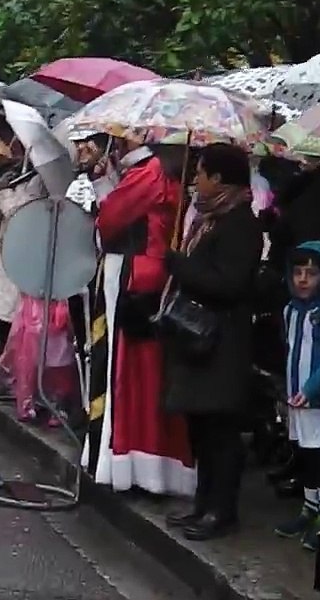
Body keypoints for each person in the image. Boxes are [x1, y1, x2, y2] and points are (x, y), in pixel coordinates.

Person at [81, 134, 196, 497]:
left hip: (132, 278)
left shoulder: (147, 172)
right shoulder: (157, 170)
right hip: (146, 276)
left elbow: (109, 221)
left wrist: (103, 183)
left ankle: (128, 459)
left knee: (125, 372)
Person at [163, 142, 264, 541]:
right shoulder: (210, 219)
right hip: (197, 339)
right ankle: (203, 503)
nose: (195, 179)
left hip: (223, 341)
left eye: (201, 172)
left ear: (219, 178)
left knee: (221, 433)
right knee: (200, 429)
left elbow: (229, 283)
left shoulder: (240, 223)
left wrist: (180, 266)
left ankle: (221, 511)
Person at [274, 242, 320, 551]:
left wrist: (312, 387)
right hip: (296, 400)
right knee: (303, 454)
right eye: (298, 272)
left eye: (312, 273)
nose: (303, 279)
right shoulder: (290, 310)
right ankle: (310, 506)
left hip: (318, 401)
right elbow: (289, 350)